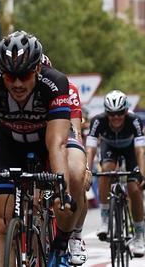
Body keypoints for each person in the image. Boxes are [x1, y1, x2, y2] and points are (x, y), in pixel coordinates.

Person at [0, 31, 79, 266]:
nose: (16, 83)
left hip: (45, 147)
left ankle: (61, 244)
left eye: (23, 76)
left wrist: (61, 190)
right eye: (9, 76)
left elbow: (56, 143)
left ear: (37, 69)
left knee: (62, 201)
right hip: (8, 147)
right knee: (2, 227)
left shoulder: (55, 83)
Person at [86, 90, 145, 257]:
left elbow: (141, 151)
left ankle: (139, 235)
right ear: (106, 113)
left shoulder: (134, 121)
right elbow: (90, 149)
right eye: (111, 114)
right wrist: (87, 171)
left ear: (126, 111)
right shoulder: (98, 121)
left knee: (134, 189)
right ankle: (105, 219)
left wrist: (140, 174)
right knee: (106, 172)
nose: (116, 118)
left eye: (120, 113)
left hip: (130, 150)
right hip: (109, 148)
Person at [41, 55, 89, 265]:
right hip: (35, 139)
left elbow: (75, 128)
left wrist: (83, 164)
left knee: (76, 176)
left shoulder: (66, 87)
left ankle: (75, 236)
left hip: (63, 135)